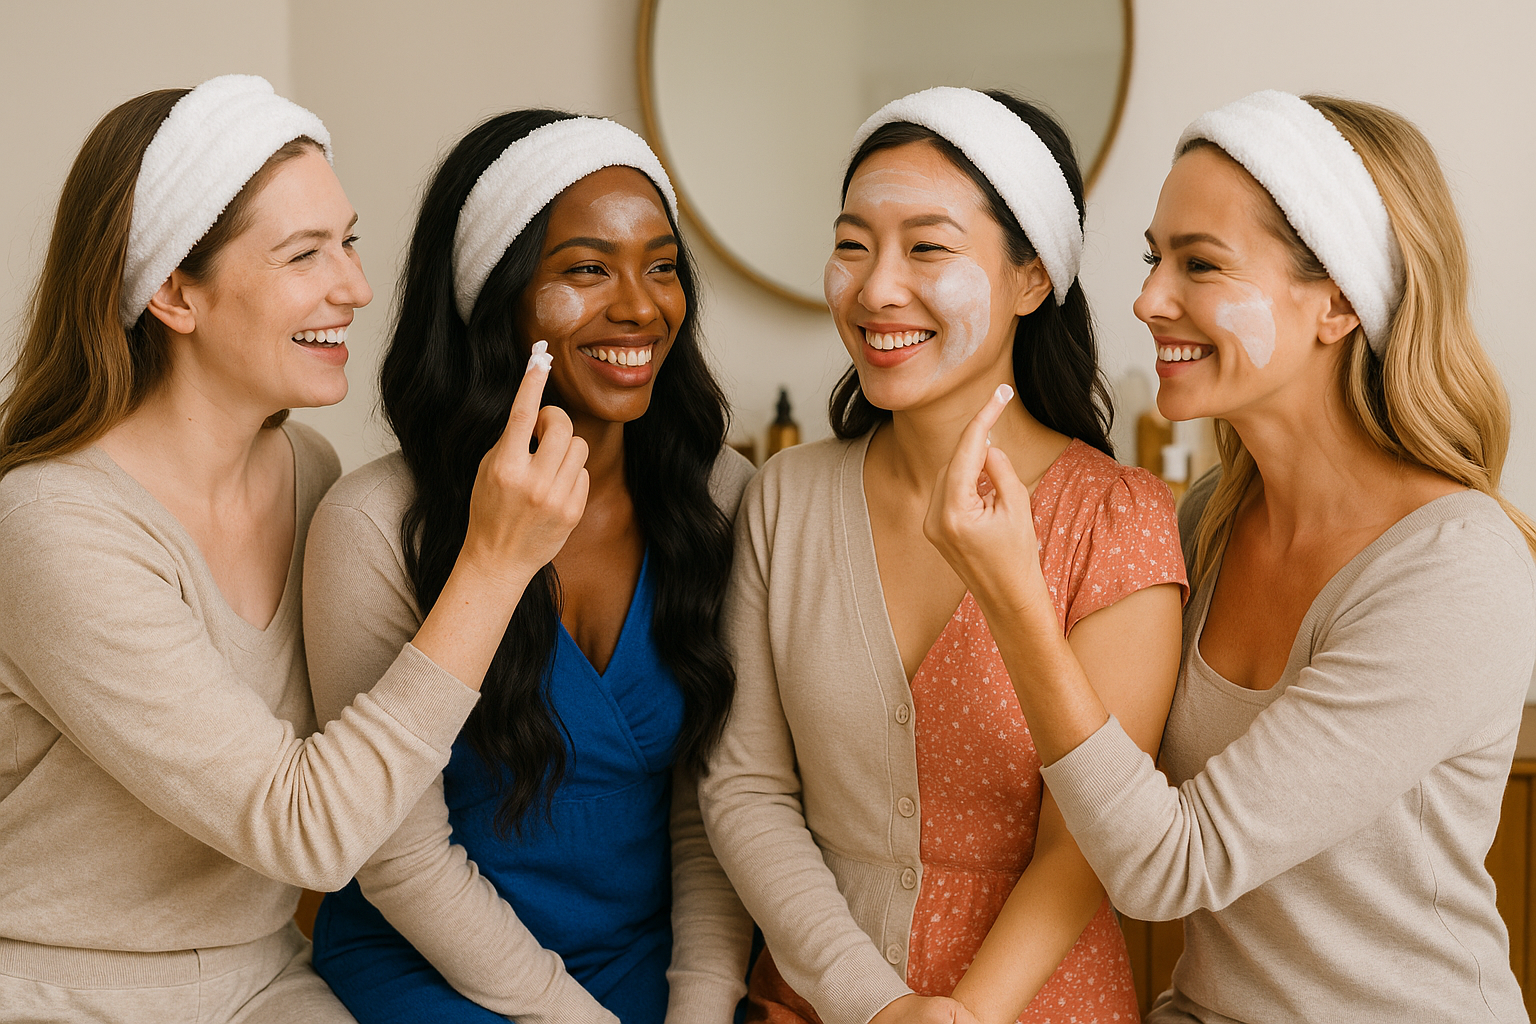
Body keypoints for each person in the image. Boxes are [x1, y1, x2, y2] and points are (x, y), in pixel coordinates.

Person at [927, 90, 1536, 1023]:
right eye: (1152, 258)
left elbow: (1168, 867)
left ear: (1335, 300)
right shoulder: (1209, 516)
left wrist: (1015, 603)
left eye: (1199, 264)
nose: (1146, 299)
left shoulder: (1457, 572)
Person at [0, 76, 587, 1022]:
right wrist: (494, 563)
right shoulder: (51, 527)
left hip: (263, 977)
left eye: (347, 241)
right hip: (67, 991)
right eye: (304, 254)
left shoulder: (311, 472)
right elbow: (307, 829)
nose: (353, 287)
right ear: (172, 292)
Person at [700, 87, 1186, 1024]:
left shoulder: (1119, 518)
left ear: (1032, 278)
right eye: (853, 244)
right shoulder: (785, 498)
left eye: (928, 247)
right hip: (810, 999)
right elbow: (747, 787)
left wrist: (960, 1015)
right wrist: (874, 1003)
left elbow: (1085, 844)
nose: (878, 287)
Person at [303, 110, 754, 1024]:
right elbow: (398, 856)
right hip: (433, 974)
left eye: (661, 266)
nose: (640, 306)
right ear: (494, 295)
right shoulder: (374, 526)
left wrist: (700, 1009)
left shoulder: (722, 496)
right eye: (586, 269)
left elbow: (715, 809)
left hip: (649, 970)